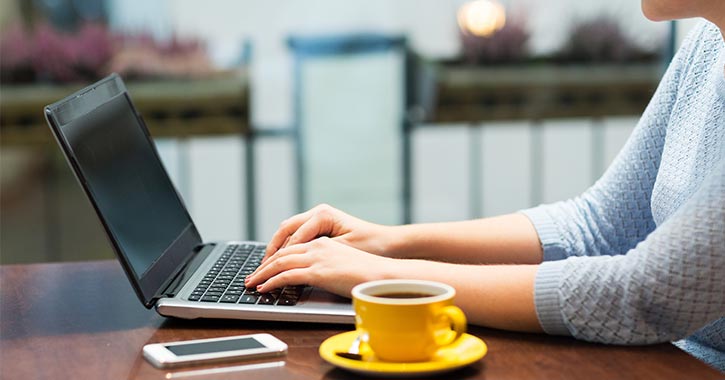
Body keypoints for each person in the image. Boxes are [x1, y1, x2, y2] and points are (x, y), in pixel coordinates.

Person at [246, 0, 725, 371]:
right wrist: (391, 242)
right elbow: (598, 226)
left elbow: (641, 296)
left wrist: (385, 278)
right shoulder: (708, 44)